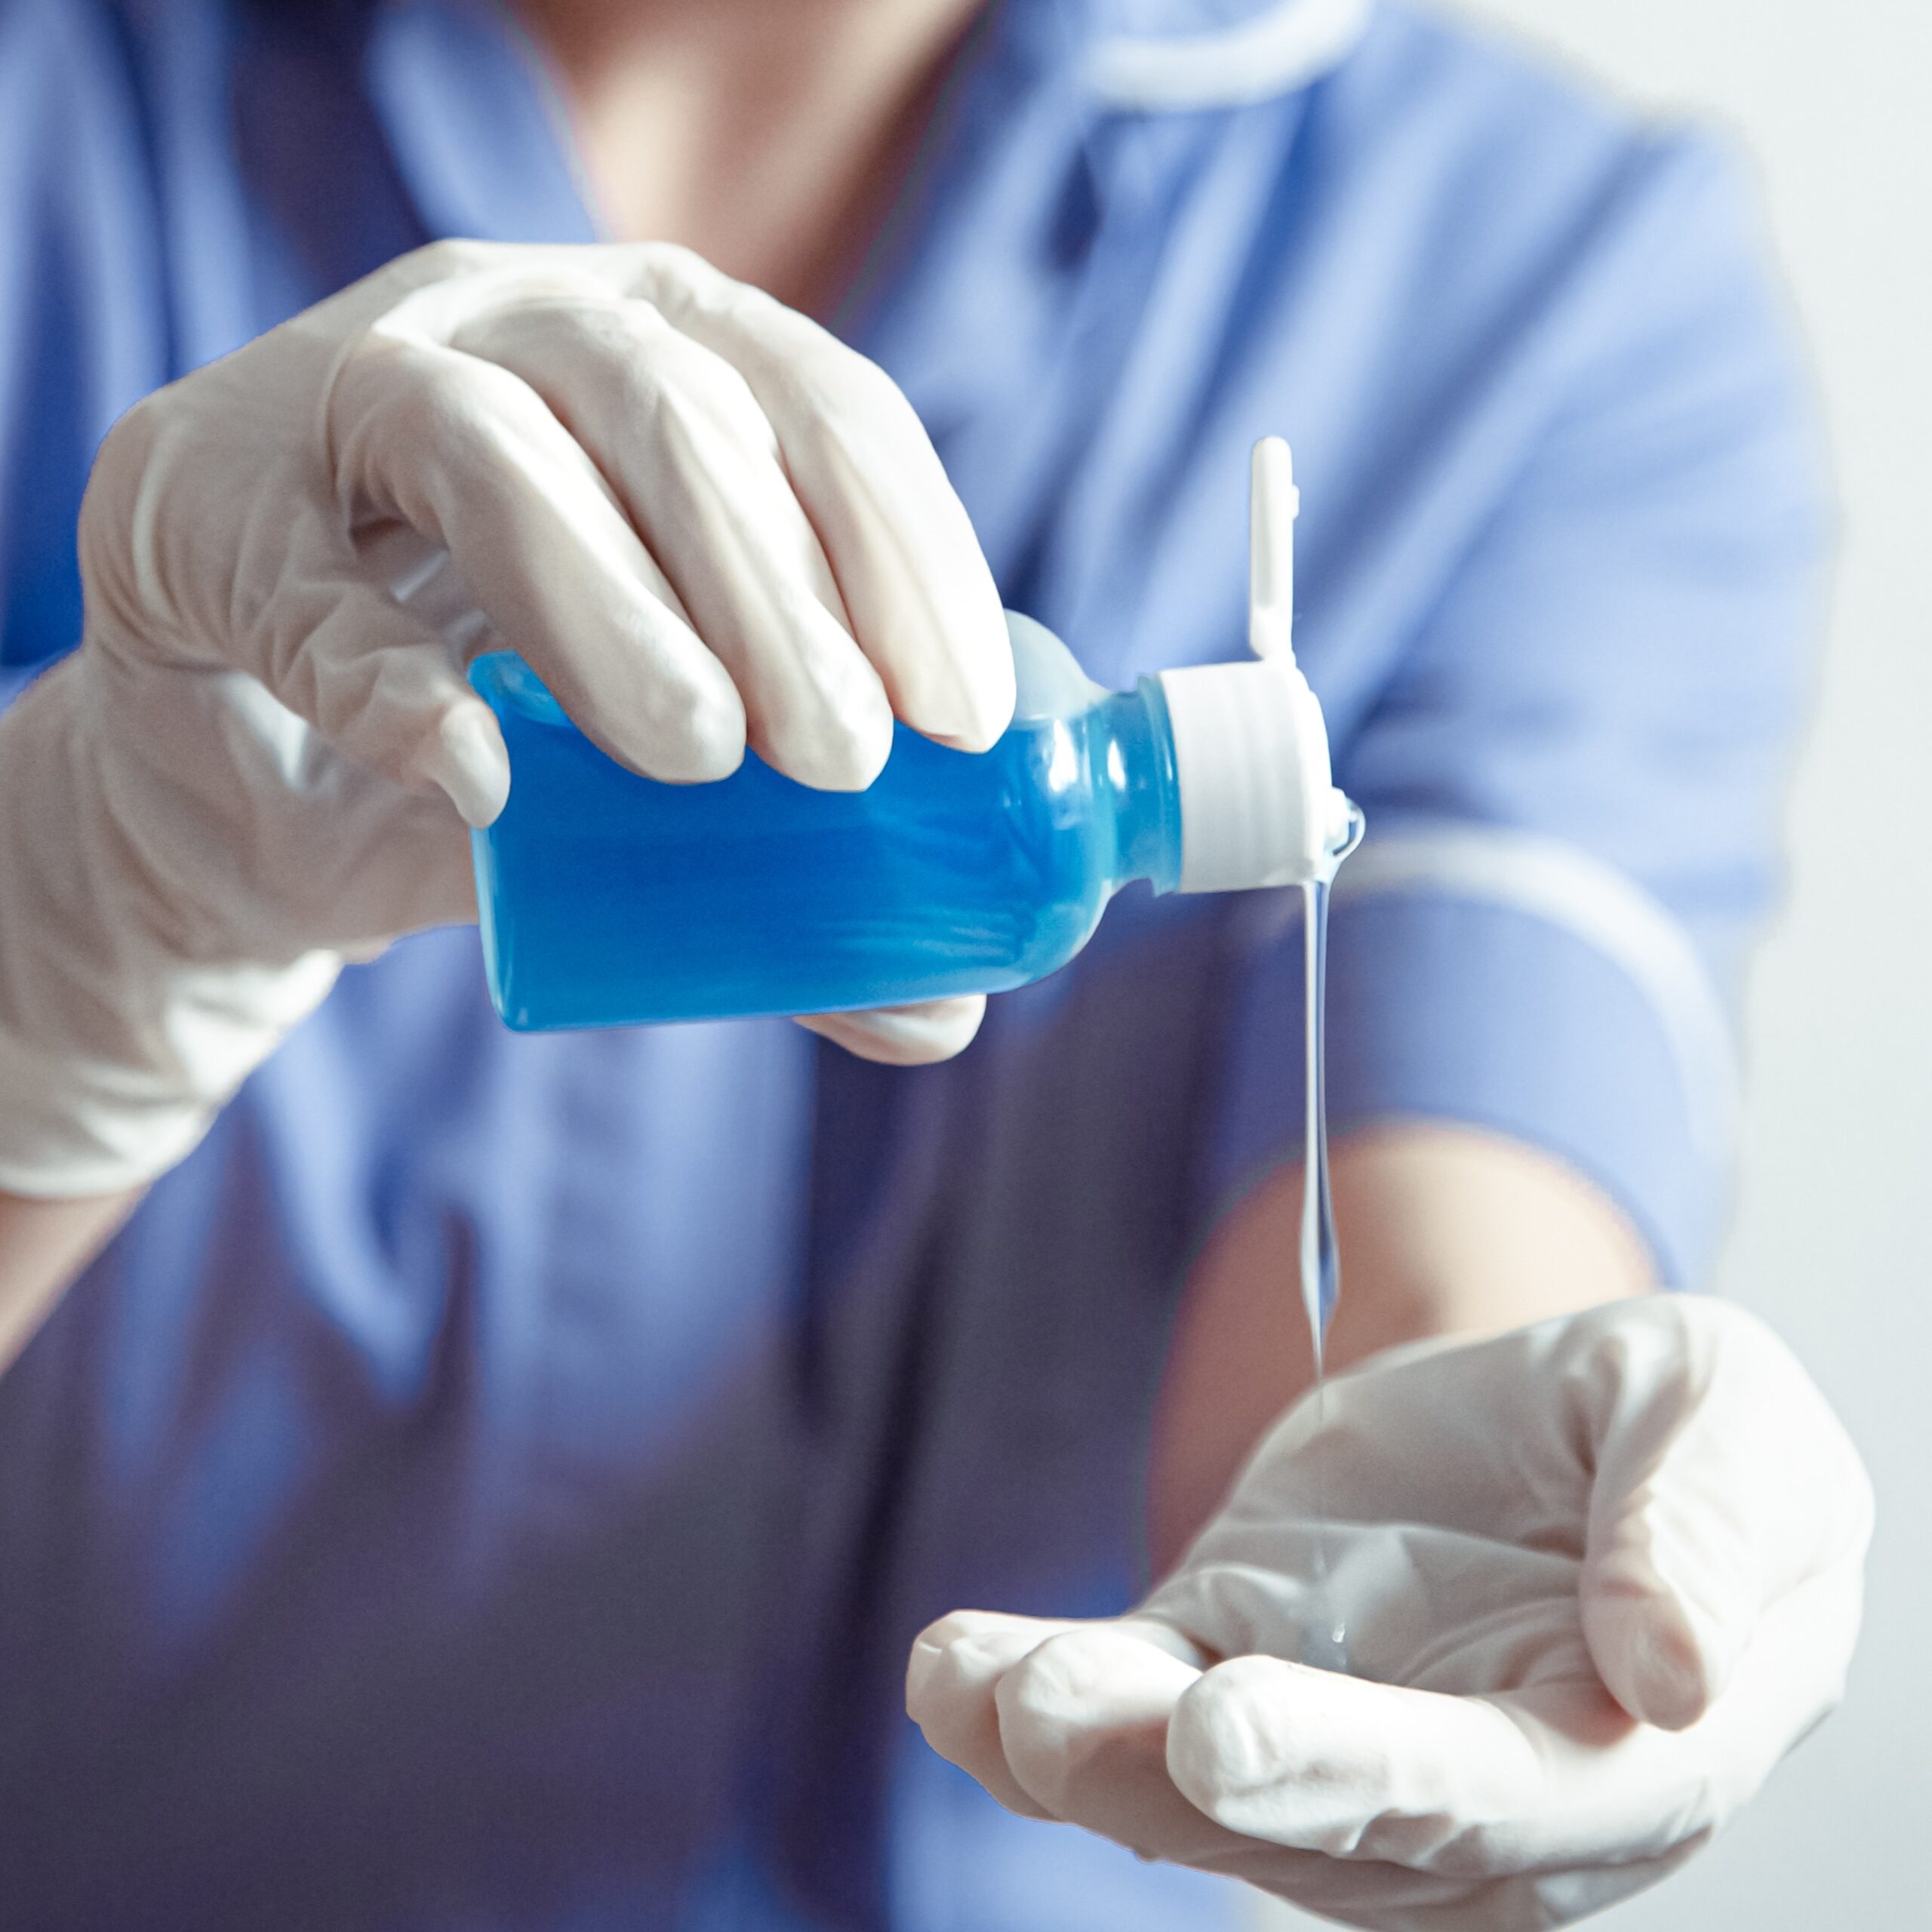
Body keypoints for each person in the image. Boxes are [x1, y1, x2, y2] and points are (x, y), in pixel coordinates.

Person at [0, 2, 1871, 1929]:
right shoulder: (50, 129)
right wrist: (65, 932)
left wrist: (1504, 1530)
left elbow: (1425, 1245)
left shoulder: (1531, 279)